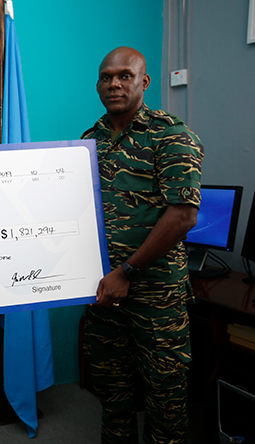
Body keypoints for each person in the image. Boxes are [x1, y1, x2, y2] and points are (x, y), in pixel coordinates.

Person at [81, 47, 204, 443]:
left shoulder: (171, 135)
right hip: (103, 288)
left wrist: (127, 271)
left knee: (165, 394)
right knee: (112, 390)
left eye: (124, 76)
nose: (114, 83)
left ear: (144, 81)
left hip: (155, 293)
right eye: (106, 77)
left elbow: (182, 216)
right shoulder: (89, 141)